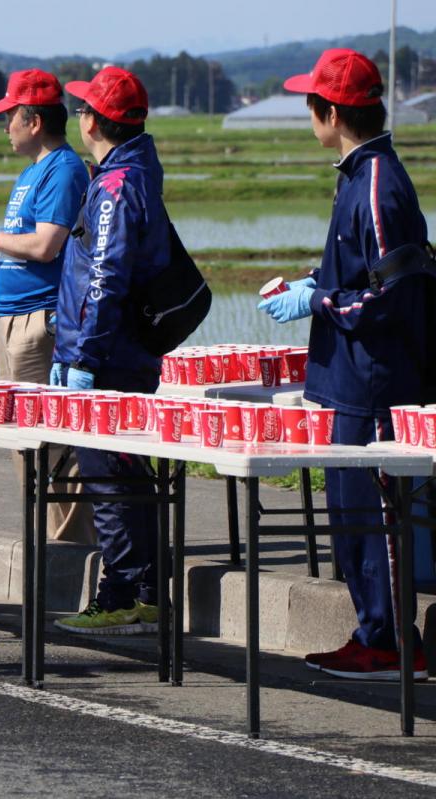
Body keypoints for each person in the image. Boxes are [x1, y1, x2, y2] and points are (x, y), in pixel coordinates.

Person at [261, 48, 429, 681]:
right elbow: (361, 271)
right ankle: (371, 632)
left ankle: (392, 643)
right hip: (347, 382)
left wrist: (321, 300)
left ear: (329, 111)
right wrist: (312, 282)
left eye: (311, 105)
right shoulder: (358, 173)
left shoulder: (380, 179)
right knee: (350, 517)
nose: (309, 117)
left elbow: (396, 290)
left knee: (377, 519)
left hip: (374, 383)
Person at [0, 68, 94, 545]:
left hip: (38, 318)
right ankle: (47, 541)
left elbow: (48, 245)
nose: (4, 125)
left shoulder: (64, 170)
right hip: (8, 316)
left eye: (9, 115)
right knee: (20, 436)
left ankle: (72, 547)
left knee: (49, 440)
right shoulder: (31, 172)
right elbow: (22, 242)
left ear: (33, 121)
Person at [50, 66, 168, 634]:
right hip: (123, 352)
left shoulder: (117, 187)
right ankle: (143, 589)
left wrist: (82, 358)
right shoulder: (130, 170)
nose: (78, 117)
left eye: (81, 109)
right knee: (127, 474)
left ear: (95, 120)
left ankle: (122, 592)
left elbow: (104, 277)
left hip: (108, 358)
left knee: (109, 477)